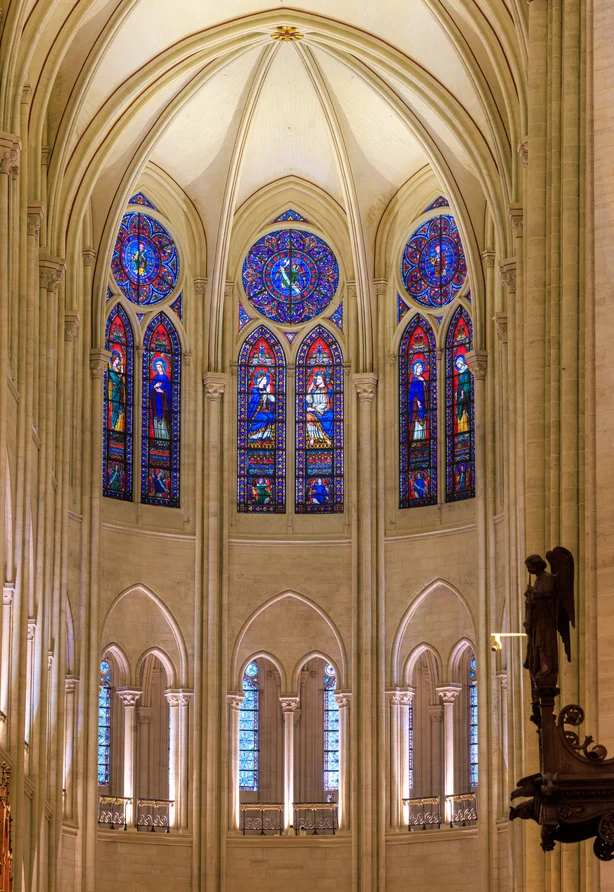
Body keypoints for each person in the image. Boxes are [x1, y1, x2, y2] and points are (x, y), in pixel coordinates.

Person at [305, 367, 334, 447]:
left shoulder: (328, 390)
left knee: (332, 416)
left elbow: (325, 404)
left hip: (324, 412)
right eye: (317, 379)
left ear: (323, 380)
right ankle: (312, 438)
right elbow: (309, 400)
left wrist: (314, 409)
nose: (317, 381)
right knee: (308, 416)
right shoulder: (314, 390)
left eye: (319, 379)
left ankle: (326, 438)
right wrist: (310, 391)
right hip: (314, 411)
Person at [247, 370, 276, 445]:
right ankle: (256, 437)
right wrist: (266, 392)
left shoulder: (265, 389)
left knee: (272, 417)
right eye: (264, 379)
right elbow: (256, 400)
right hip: (256, 411)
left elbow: (273, 399)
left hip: (265, 410)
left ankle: (266, 437)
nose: (266, 380)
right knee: (264, 418)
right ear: (260, 380)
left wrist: (268, 392)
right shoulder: (254, 390)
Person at [150, 357, 172, 440]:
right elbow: (152, 386)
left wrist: (162, 391)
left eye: (159, 367)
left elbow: (169, 391)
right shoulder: (156, 377)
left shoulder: (166, 378)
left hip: (163, 400)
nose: (158, 368)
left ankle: (164, 439)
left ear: (162, 367)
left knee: (163, 418)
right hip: (157, 400)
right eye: (157, 367)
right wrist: (155, 386)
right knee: (157, 417)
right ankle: (157, 439)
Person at [408, 359, 428, 441]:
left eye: (421, 367)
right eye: (419, 367)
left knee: (424, 419)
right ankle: (416, 439)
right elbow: (412, 393)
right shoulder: (414, 380)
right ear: (415, 368)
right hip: (418, 403)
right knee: (417, 419)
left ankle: (423, 438)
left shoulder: (423, 378)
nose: (420, 369)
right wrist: (416, 400)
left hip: (424, 401)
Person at [107, 350, 125, 431]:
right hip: (114, 392)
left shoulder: (117, 370)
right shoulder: (111, 370)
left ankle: (118, 428)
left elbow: (121, 381)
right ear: (114, 360)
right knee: (115, 408)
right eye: (118, 359)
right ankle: (113, 426)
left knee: (119, 409)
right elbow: (116, 380)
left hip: (119, 392)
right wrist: (120, 377)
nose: (119, 361)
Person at [455, 352, 471, 433]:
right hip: (460, 394)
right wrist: (458, 392)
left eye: (458, 364)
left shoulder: (466, 371)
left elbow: (466, 382)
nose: (458, 366)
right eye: (457, 364)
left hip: (465, 393)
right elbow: (459, 385)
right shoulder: (460, 373)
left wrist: (462, 391)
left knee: (465, 409)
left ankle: (466, 429)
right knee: (460, 409)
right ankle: (461, 430)